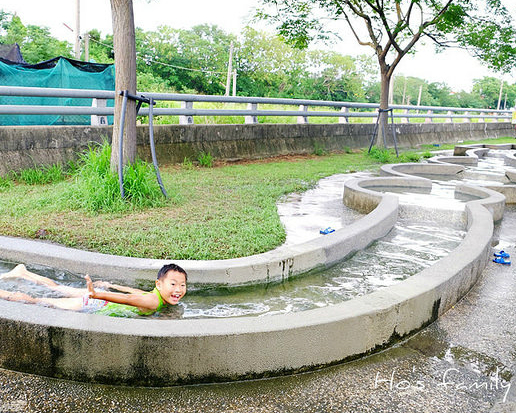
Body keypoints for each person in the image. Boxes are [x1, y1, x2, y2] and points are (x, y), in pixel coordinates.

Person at [0, 263, 187, 317]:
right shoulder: (154, 301)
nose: (178, 290)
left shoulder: (154, 294)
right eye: (173, 284)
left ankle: (23, 273)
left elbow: (133, 291)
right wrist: (98, 294)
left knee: (57, 288)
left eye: (182, 285)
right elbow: (129, 299)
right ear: (159, 284)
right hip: (93, 302)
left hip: (97, 298)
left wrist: (111, 285)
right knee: (37, 302)